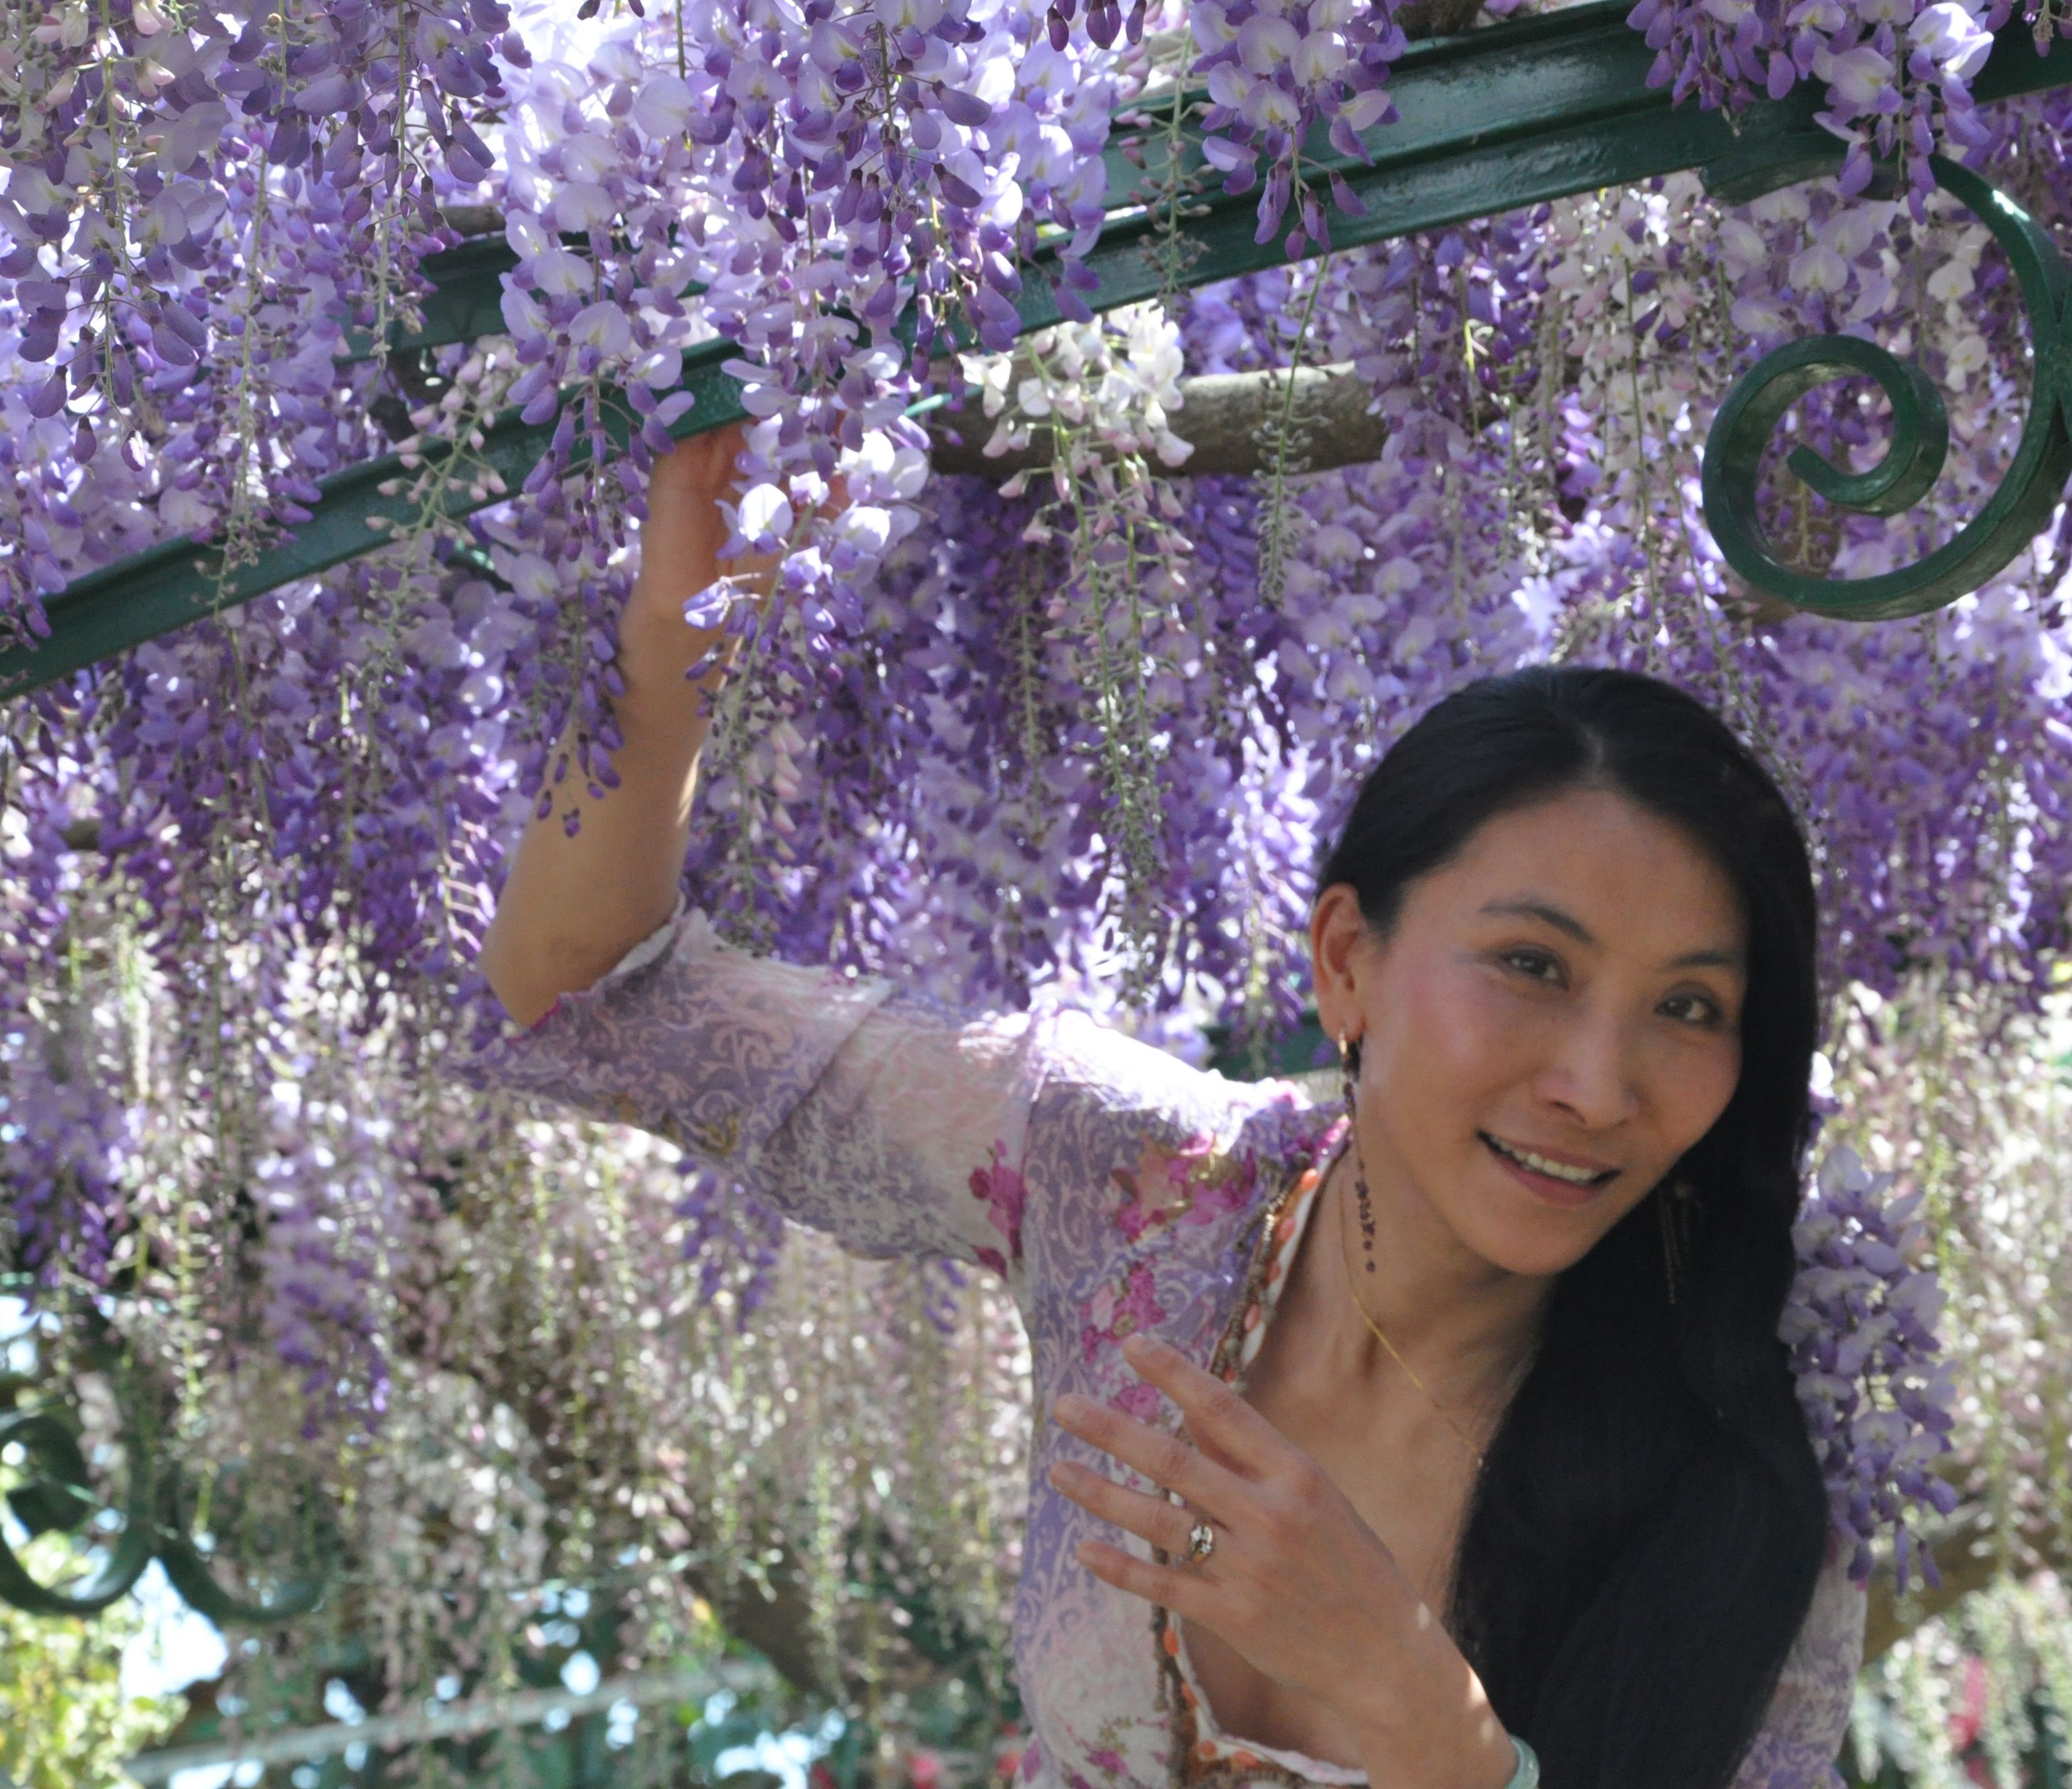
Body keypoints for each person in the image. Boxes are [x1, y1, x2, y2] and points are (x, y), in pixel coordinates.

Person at [475, 424, 1869, 1789]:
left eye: (1688, 1005)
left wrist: (1424, 1720)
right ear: (1345, 961)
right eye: (1529, 965)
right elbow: (597, 997)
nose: (1593, 1083)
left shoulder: (1744, 1479)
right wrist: (675, 641)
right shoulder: (1139, 1174)